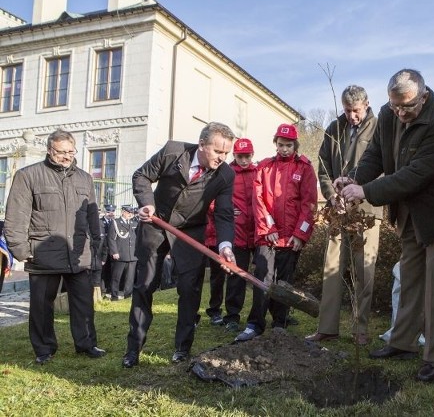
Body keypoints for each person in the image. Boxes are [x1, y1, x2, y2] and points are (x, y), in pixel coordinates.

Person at [337, 69, 434, 383]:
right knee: (408, 280)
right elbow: (376, 155)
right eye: (395, 106)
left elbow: (415, 174)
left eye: (407, 107)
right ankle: (403, 342)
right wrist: (356, 177)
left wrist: (365, 192)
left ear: (424, 95)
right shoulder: (388, 113)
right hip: (407, 216)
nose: (400, 113)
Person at [122, 122, 237, 368]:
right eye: (218, 151)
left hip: (190, 232)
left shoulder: (226, 174)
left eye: (227, 153)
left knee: (190, 290)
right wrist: (146, 203)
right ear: (202, 144)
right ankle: (133, 349)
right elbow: (141, 175)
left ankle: (182, 349)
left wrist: (225, 245)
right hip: (156, 223)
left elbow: (225, 214)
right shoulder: (173, 151)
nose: (223, 157)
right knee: (144, 286)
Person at [4, 129, 106, 364]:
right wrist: (21, 250)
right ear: (49, 150)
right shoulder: (28, 175)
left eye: (71, 151)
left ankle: (87, 343)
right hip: (42, 253)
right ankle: (44, 348)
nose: (66, 156)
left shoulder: (84, 178)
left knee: (83, 303)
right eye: (61, 152)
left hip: (78, 253)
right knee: (41, 306)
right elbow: (15, 217)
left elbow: (92, 217)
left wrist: (96, 248)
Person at [305, 85, 382, 346]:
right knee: (332, 268)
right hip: (338, 210)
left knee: (363, 270)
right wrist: (331, 195)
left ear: (367, 104)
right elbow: (324, 168)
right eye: (347, 111)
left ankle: (360, 329)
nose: (352, 116)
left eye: (356, 111)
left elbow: (384, 168)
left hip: (366, 210)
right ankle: (327, 327)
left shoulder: (379, 128)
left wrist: (362, 191)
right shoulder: (333, 129)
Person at [235, 124, 317, 342]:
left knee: (284, 282)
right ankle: (255, 324)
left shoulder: (305, 168)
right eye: (280, 145)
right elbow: (258, 199)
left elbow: (309, 204)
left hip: (291, 238)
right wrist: (267, 228)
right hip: (267, 236)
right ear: (276, 144)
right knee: (262, 277)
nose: (284, 149)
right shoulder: (264, 167)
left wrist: (301, 234)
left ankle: (279, 323)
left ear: (295, 145)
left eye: (288, 145)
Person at [205, 138, 257, 332]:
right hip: (237, 233)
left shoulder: (258, 172)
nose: (244, 160)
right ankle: (232, 316)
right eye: (240, 156)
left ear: (252, 156)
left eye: (247, 156)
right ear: (234, 155)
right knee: (236, 275)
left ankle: (262, 315)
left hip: (257, 231)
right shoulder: (225, 173)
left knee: (263, 275)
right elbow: (211, 199)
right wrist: (225, 209)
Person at [107, 205, 138, 301]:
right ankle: (114, 296)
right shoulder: (116, 223)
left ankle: (128, 295)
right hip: (120, 254)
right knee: (116, 277)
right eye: (128, 213)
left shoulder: (134, 223)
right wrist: (114, 252)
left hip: (132, 255)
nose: (130, 215)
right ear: (123, 212)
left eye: (131, 213)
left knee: (130, 278)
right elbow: (111, 239)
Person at [100, 204, 116, 296]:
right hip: (103, 250)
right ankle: (102, 289)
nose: (111, 213)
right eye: (109, 212)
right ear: (105, 212)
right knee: (103, 271)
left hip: (112, 250)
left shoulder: (115, 222)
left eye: (112, 212)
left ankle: (110, 289)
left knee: (112, 270)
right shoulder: (101, 222)